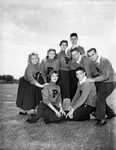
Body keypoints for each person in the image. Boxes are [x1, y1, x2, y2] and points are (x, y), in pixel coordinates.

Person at [87, 48, 116, 126]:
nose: (91, 57)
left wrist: (93, 80)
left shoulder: (104, 61)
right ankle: (110, 113)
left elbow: (106, 76)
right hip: (104, 82)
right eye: (89, 56)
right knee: (100, 97)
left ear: (96, 53)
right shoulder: (95, 62)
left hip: (111, 81)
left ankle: (101, 119)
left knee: (100, 97)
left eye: (92, 54)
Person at [57, 40, 71, 108]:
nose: (64, 46)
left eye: (65, 45)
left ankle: (61, 107)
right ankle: (56, 107)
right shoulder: (57, 55)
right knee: (59, 90)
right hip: (60, 73)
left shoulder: (68, 56)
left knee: (63, 91)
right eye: (62, 45)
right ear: (60, 46)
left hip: (67, 74)